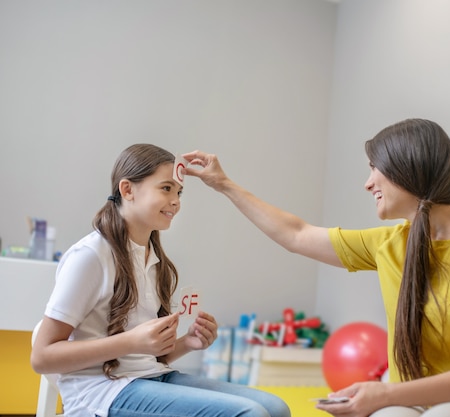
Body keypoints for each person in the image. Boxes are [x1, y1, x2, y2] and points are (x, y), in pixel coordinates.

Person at [182, 119, 450, 417]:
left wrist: (387, 393)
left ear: (407, 168)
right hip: (427, 404)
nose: (367, 183)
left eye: (376, 170)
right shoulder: (391, 244)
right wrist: (224, 185)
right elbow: (296, 235)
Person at [31, 144, 291, 417]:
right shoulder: (90, 256)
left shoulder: (154, 259)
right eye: (166, 188)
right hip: (100, 392)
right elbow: (42, 357)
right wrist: (131, 342)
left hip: (150, 377)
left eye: (179, 192)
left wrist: (187, 343)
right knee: (252, 414)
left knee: (276, 408)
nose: (176, 200)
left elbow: (141, 357)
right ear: (127, 190)